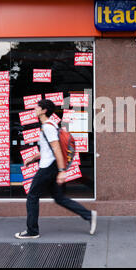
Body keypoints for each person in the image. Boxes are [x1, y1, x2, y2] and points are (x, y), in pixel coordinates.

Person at [15, 99, 97, 239]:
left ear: (44, 110)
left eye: (37, 107)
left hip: (48, 167)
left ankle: (32, 231)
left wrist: (62, 171)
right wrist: (32, 158)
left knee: (32, 196)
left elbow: (57, 150)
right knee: (59, 198)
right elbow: (49, 149)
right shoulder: (51, 125)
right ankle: (88, 215)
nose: (34, 109)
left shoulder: (48, 127)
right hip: (51, 165)